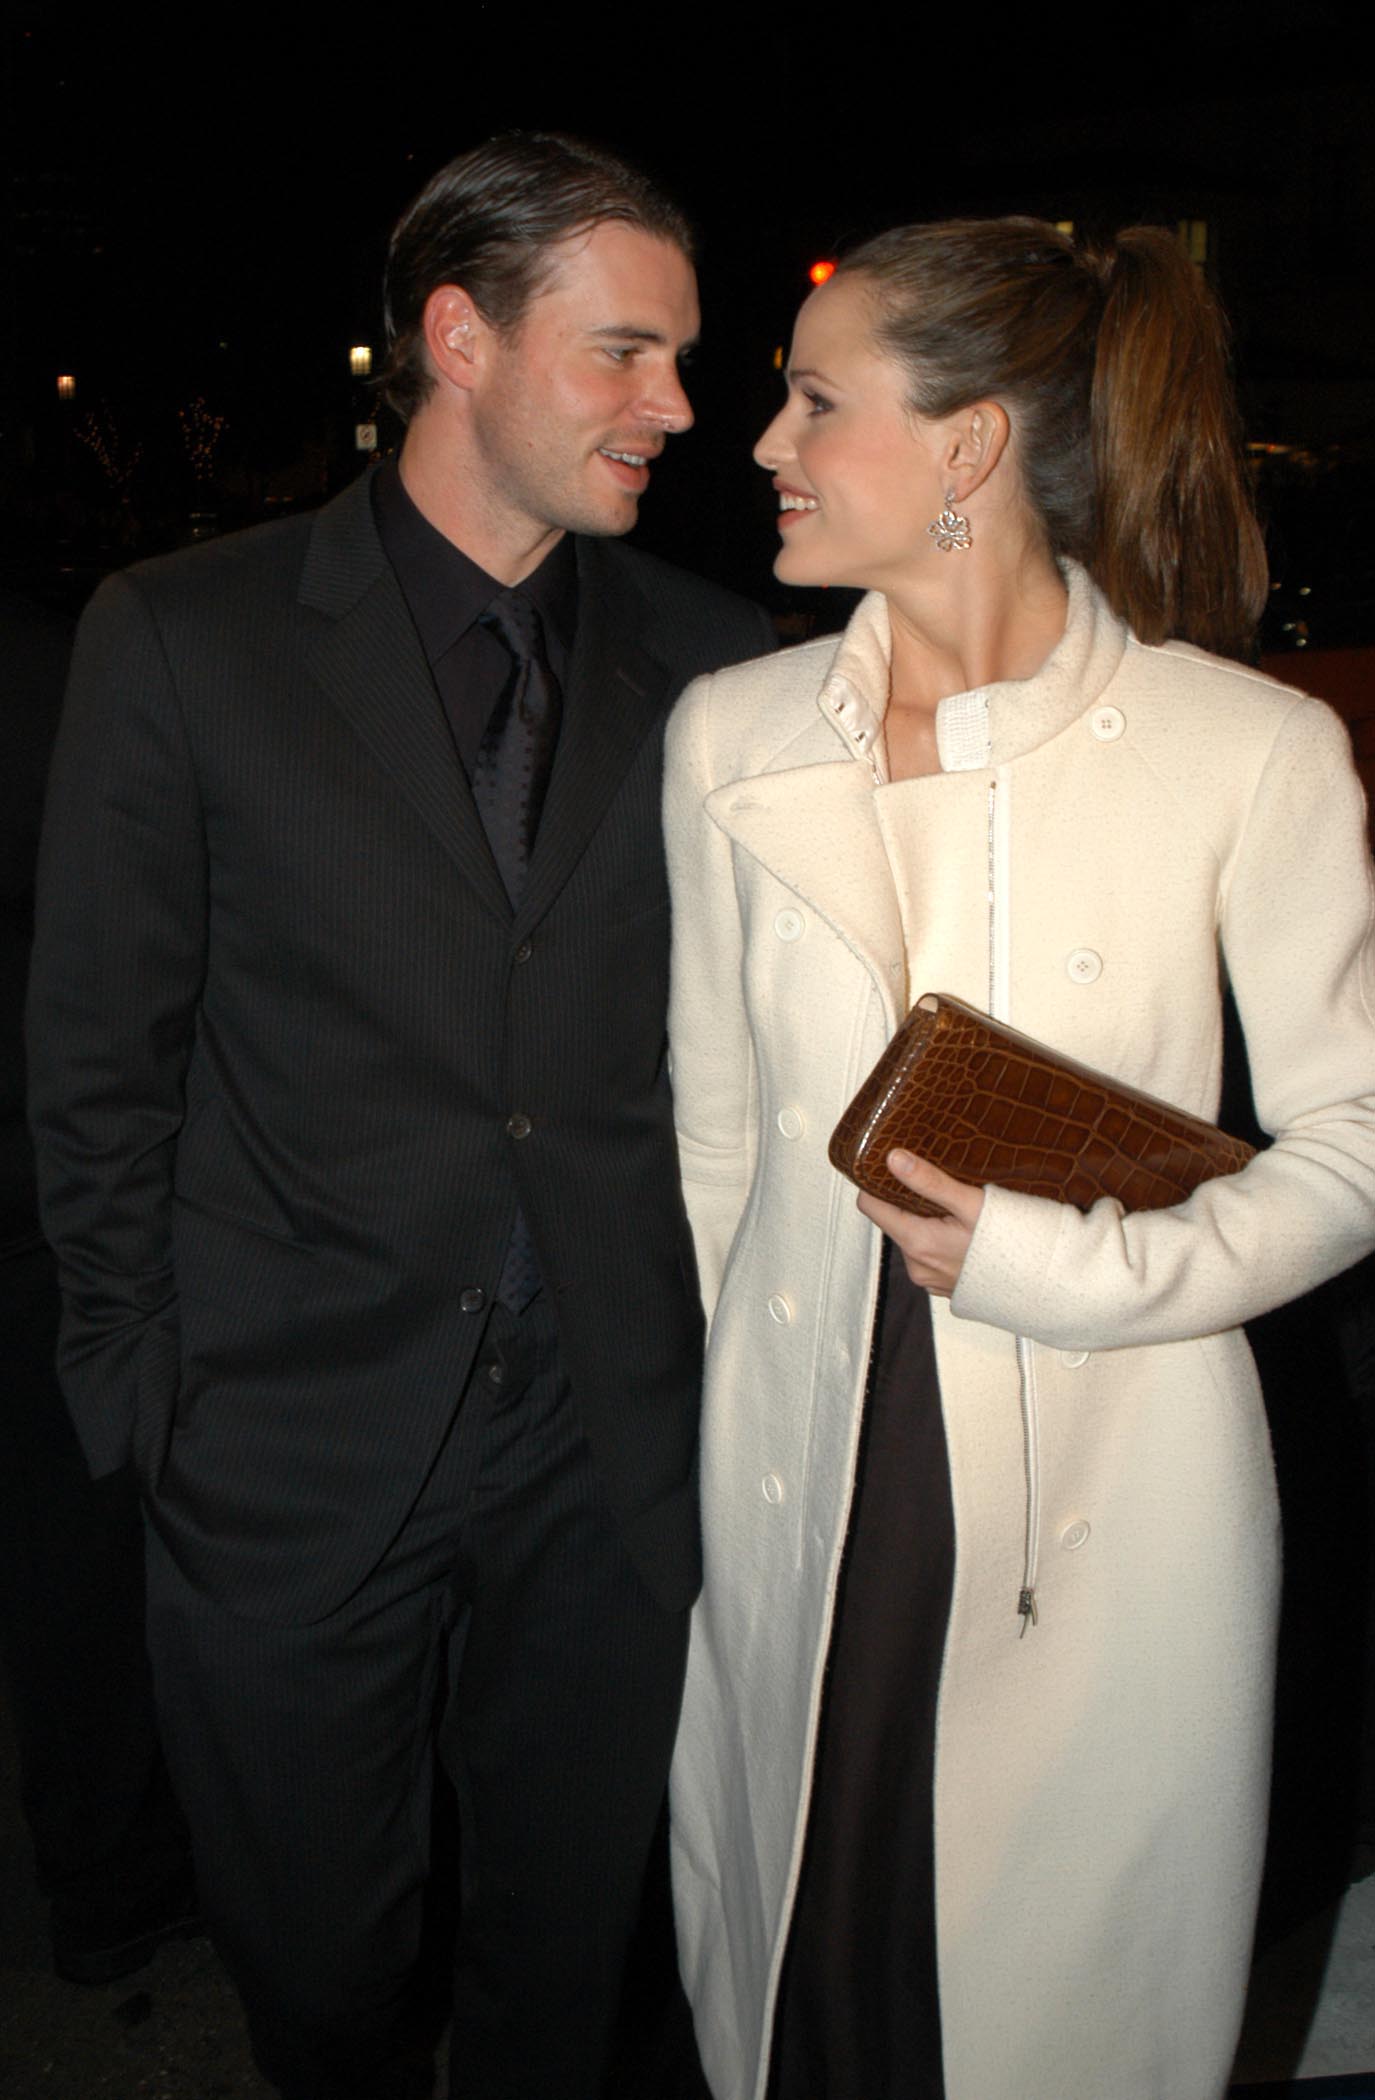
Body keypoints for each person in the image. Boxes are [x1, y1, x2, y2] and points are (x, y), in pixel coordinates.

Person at [27, 132, 773, 2100]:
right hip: (283, 1444)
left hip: (610, 1459)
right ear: (461, 337)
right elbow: (101, 1058)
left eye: (685, 360)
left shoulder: (726, 671)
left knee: (564, 1964)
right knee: (327, 1978)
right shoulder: (184, 637)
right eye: (625, 353)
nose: (676, 407)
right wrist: (145, 1401)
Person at [662, 217, 1375, 2100]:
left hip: (1115, 1465)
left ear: (967, 446)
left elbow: (1356, 1146)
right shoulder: (725, 736)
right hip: (809, 1460)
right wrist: (735, 1414)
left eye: (817, 400)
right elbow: (718, 1145)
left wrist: (1072, 1269)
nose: (764, 444)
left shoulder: (1249, 751)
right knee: (811, 1960)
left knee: (1043, 1998)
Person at [1, 585, 196, 1987]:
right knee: (73, 1555)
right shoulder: (53, 657)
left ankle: (111, 1886)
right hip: (36, 1183)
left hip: (39, 1175)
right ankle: (113, 1888)